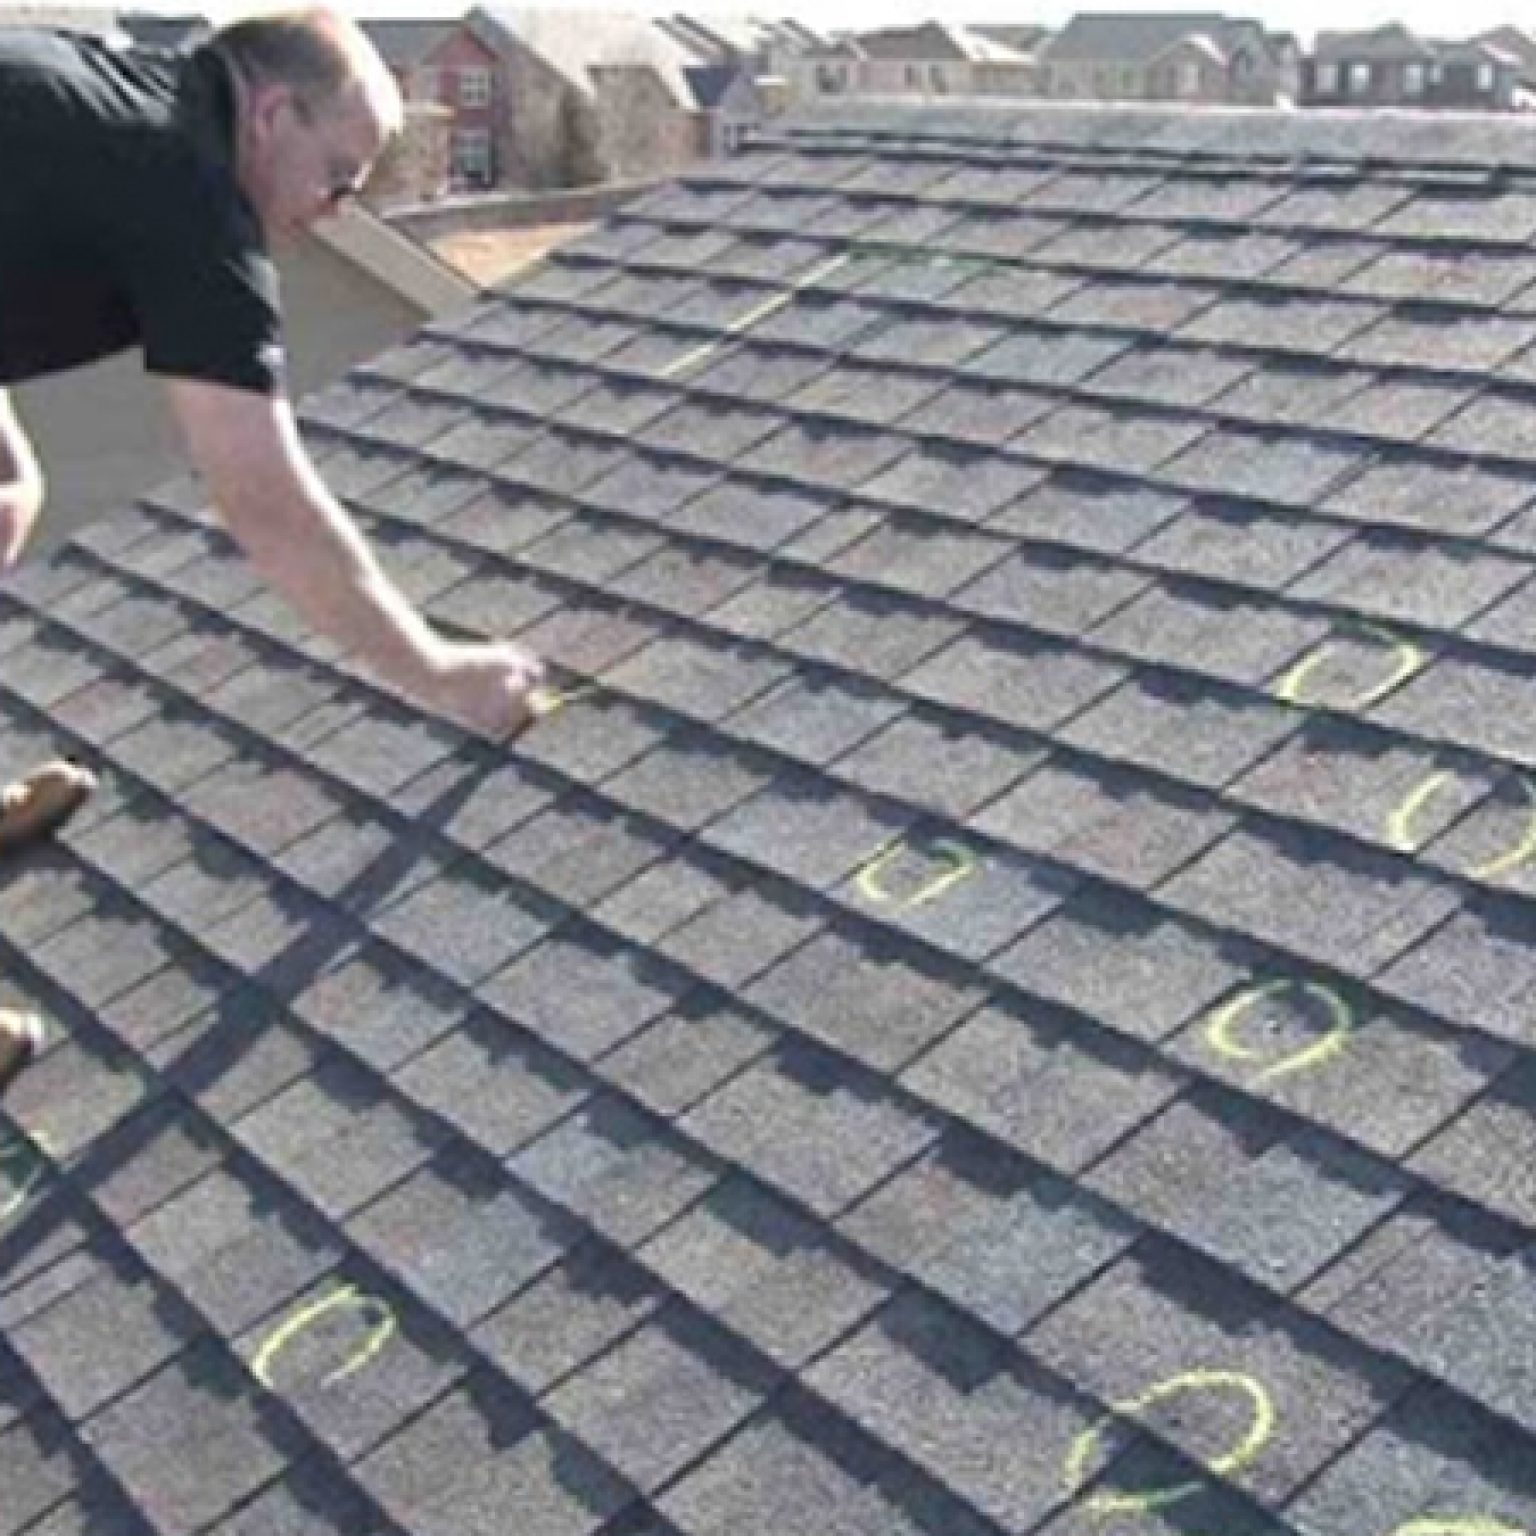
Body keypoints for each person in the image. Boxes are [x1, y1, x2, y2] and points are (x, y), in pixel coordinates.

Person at [0, 9, 547, 1095]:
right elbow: (262, 498)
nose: (334, 212)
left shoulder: (124, 97)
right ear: (271, 110)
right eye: (339, 175)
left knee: (6, 492)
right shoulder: (191, 197)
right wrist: (440, 669)